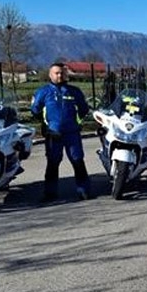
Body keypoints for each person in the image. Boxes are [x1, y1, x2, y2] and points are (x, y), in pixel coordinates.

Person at [31, 63, 92, 201]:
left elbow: (84, 109)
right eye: (56, 73)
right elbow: (35, 110)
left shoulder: (74, 91)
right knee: (52, 163)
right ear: (50, 74)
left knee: (77, 161)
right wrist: (46, 124)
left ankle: (84, 190)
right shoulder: (43, 92)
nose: (60, 75)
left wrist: (76, 122)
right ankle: (50, 193)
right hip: (54, 134)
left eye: (62, 73)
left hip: (72, 133)